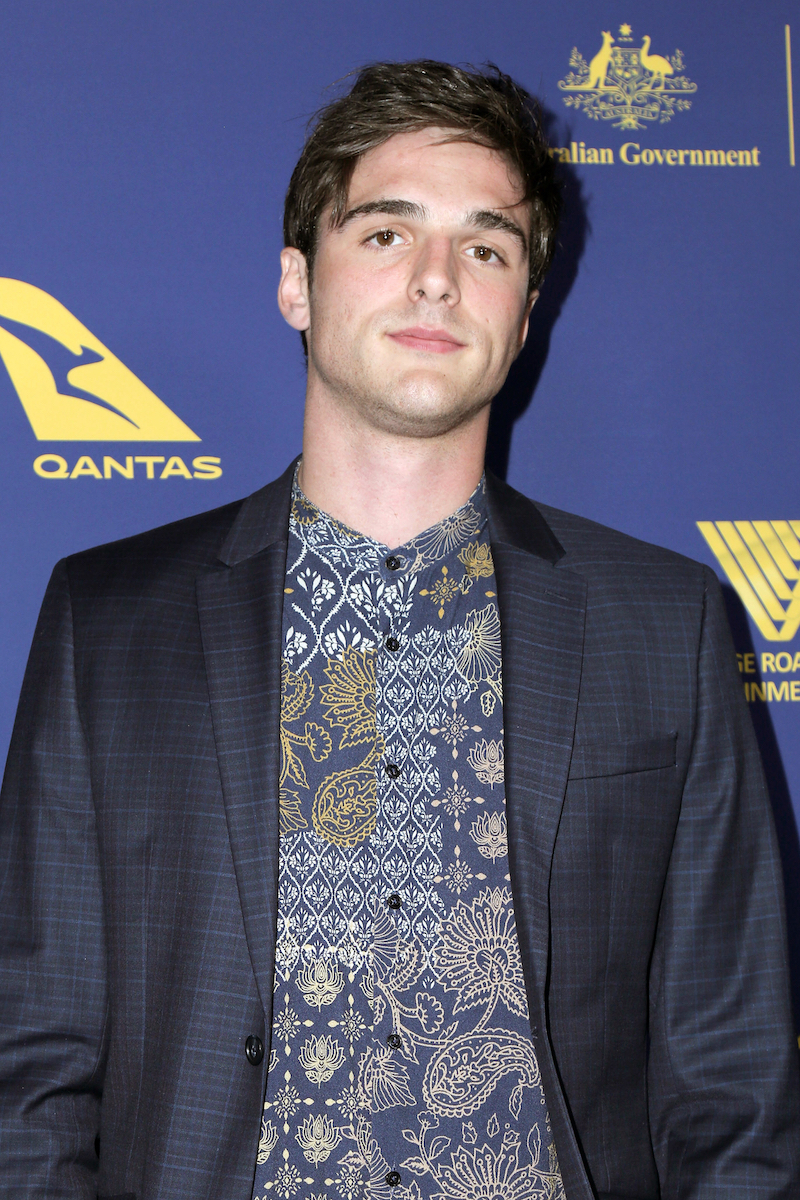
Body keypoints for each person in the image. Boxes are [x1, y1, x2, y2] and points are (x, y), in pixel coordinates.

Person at [0, 59, 797, 1200]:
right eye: (386, 233)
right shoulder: (110, 620)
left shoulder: (661, 622)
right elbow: (31, 1063)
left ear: (524, 314)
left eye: (486, 249)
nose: (436, 279)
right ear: (296, 282)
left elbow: (734, 1079)